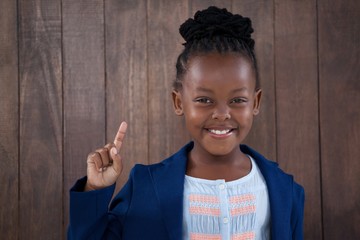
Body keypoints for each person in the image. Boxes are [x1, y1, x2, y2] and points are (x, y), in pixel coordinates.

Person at [68, 6, 304, 240]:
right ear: (179, 102)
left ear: (256, 102)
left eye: (237, 100)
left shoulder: (285, 191)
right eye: (204, 100)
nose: (221, 114)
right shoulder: (146, 188)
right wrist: (95, 190)